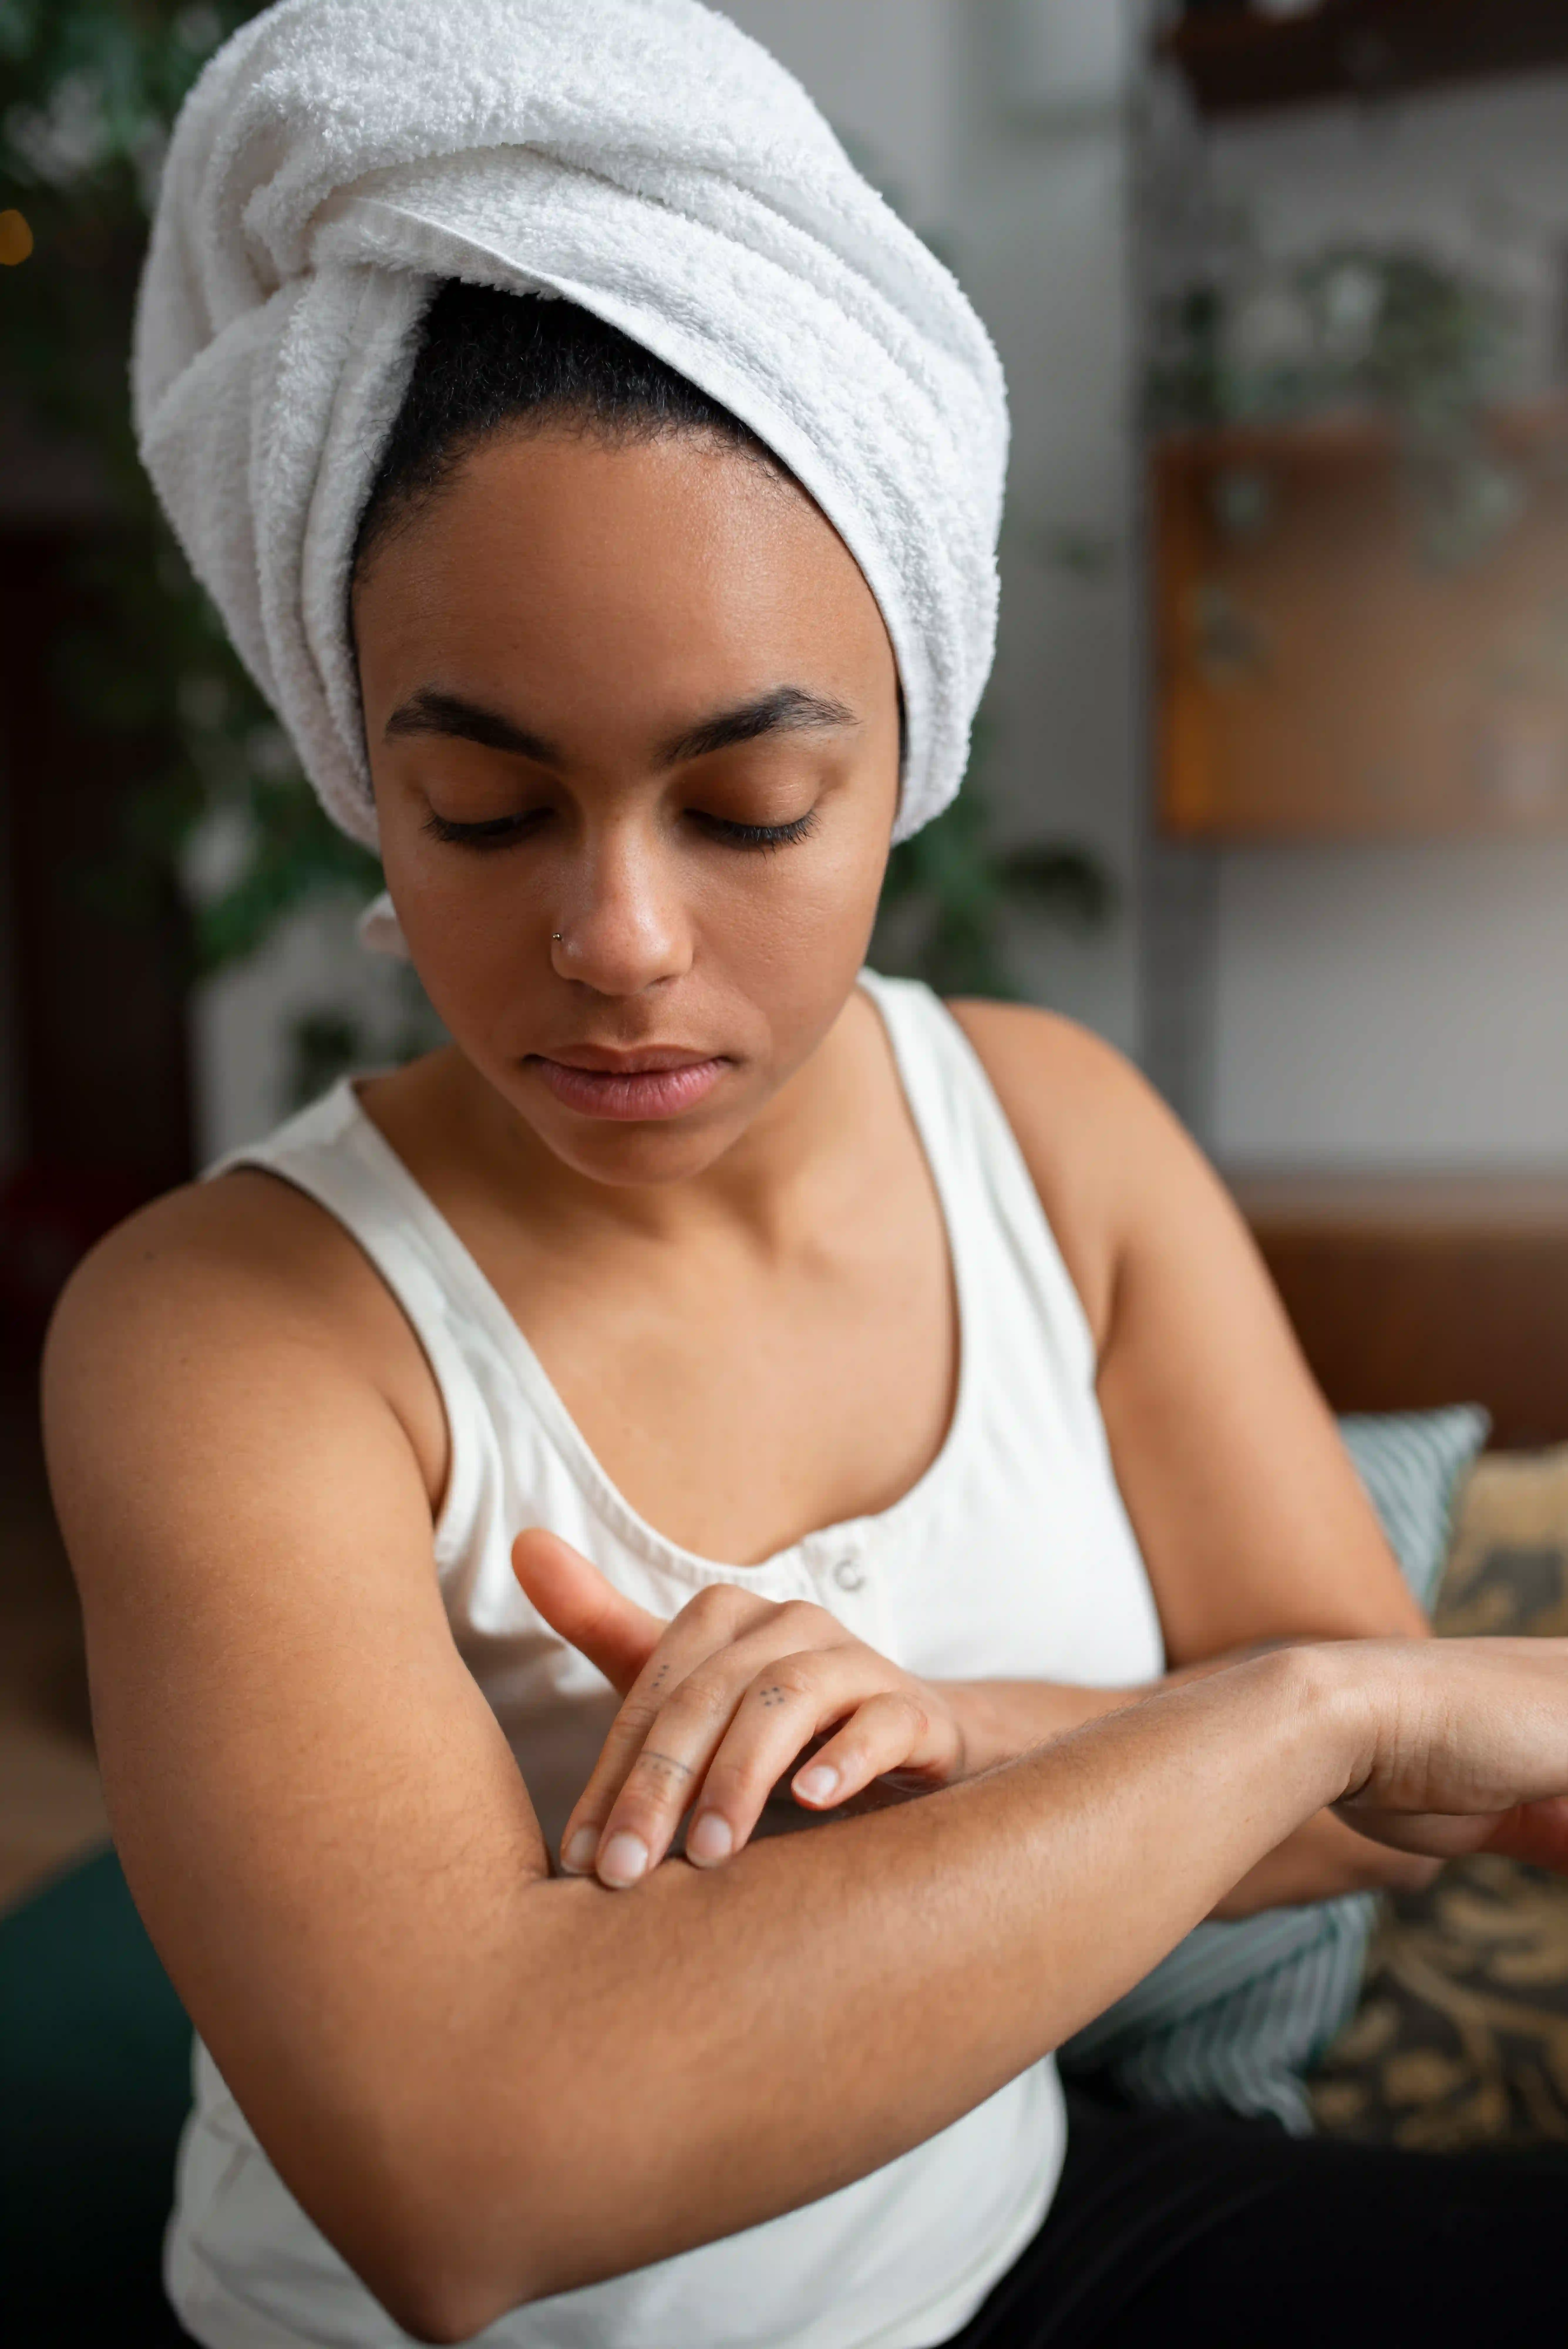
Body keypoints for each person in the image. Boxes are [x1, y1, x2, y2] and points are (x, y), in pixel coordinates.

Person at [44, 4, 1568, 2345]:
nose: (621, 942)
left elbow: (1395, 1800)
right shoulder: (230, 1330)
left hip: (1017, 2240)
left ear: (904, 757)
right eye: (486, 808)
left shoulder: (1053, 1138)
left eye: (748, 808)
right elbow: (466, 2176)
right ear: (368, 772)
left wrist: (963, 1737)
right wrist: (1272, 1714)